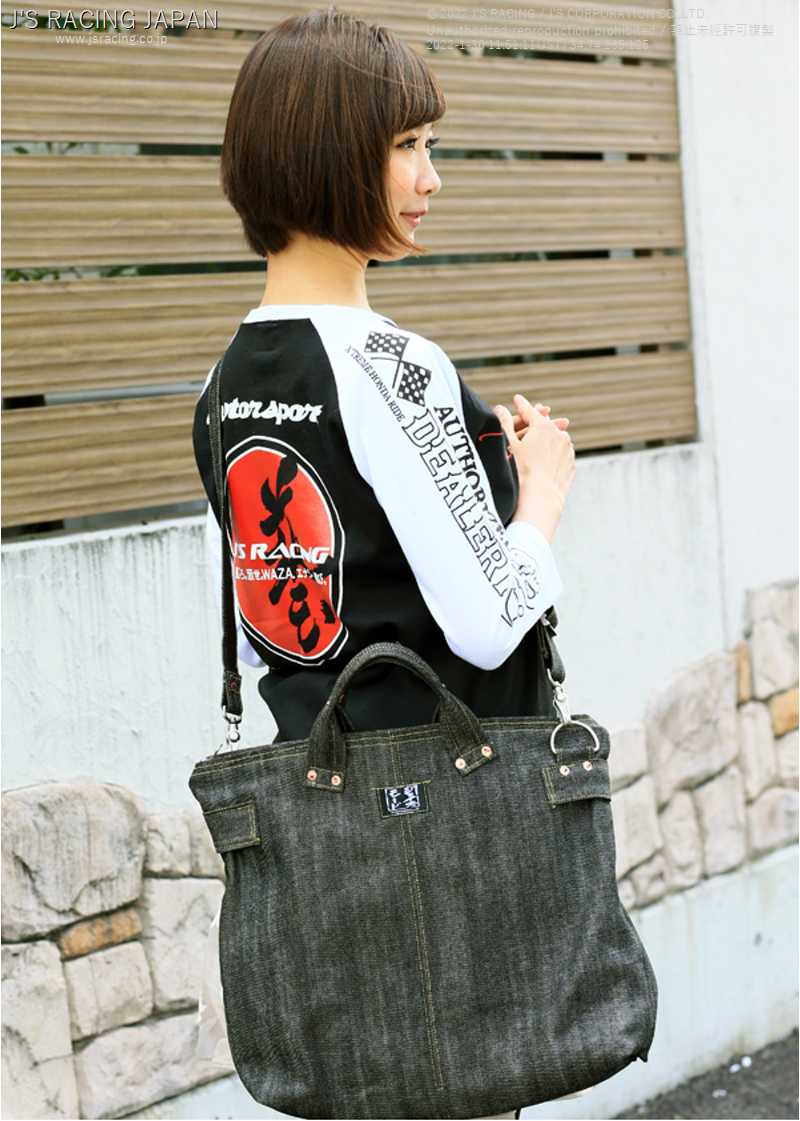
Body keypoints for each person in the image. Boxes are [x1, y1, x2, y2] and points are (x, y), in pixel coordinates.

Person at [191, 8, 589, 1117]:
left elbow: (282, 622)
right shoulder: (393, 368)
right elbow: (488, 622)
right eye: (407, 145)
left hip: (325, 834)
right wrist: (542, 488)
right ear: (327, 151)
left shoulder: (226, 383)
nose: (431, 177)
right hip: (448, 826)